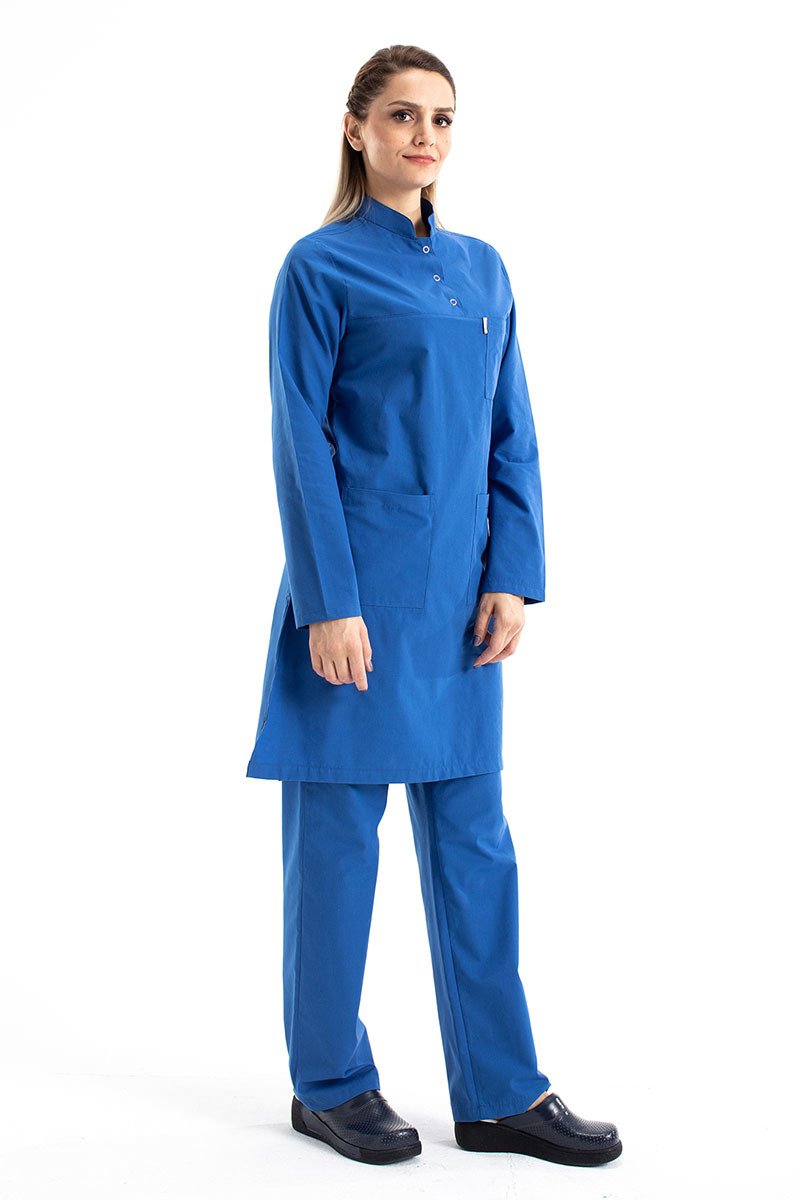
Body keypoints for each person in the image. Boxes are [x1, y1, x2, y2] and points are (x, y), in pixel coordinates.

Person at [246, 45, 623, 1168]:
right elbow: (300, 443)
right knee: (336, 850)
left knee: (476, 847)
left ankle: (501, 1092)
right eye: (403, 115)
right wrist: (329, 601)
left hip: (460, 607)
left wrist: (513, 572)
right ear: (355, 128)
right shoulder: (318, 267)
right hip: (355, 601)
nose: (425, 136)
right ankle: (329, 1082)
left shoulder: (483, 268)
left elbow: (514, 431)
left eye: (443, 119)